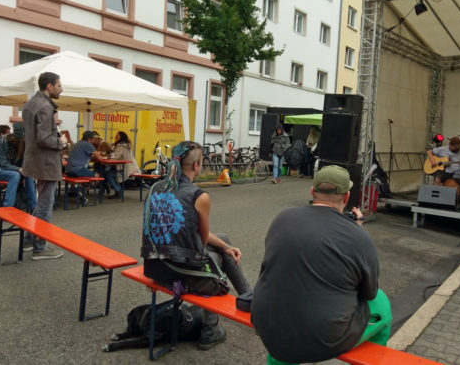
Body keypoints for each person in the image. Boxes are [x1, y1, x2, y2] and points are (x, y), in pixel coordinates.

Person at [251, 165, 391, 364]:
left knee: (287, 300)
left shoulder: (282, 218)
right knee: (382, 304)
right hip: (322, 340)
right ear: (346, 196)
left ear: (312, 192)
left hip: (266, 325)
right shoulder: (359, 237)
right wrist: (357, 230)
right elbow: (369, 293)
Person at [141, 141, 251, 351]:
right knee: (215, 263)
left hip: (154, 266)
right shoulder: (199, 196)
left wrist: (225, 246)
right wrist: (222, 250)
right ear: (197, 165)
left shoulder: (156, 187)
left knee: (223, 240)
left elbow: (195, 236)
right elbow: (200, 242)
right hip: (179, 272)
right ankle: (211, 329)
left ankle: (248, 295)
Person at [22, 71, 67, 260]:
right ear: (49, 86)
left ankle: (28, 240)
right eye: (59, 85)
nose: (61, 89)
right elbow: (44, 138)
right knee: (46, 205)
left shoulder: (31, 103)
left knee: (42, 202)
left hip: (34, 160)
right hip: (46, 162)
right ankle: (40, 247)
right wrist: (61, 142)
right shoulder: (45, 107)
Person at [0, 122, 37, 210]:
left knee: (28, 174)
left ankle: (33, 207)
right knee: (15, 175)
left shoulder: (26, 143)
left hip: (15, 170)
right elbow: (3, 164)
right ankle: (7, 208)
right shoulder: (1, 142)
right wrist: (19, 169)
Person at [66, 131, 122, 199]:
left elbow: (91, 155)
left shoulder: (79, 143)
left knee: (91, 174)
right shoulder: (87, 144)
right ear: (89, 139)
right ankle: (80, 191)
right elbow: (98, 156)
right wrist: (103, 157)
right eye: (93, 138)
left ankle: (77, 190)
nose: (94, 140)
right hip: (77, 169)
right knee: (97, 176)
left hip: (68, 170)